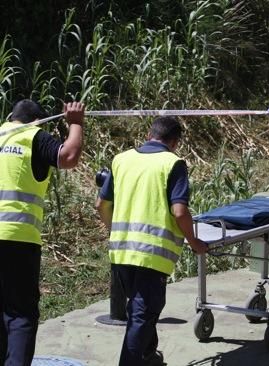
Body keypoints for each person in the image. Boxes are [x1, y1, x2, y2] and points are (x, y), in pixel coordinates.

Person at [96, 116, 208, 366]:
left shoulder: (121, 159)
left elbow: (101, 204)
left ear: (149, 135)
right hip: (152, 255)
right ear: (175, 142)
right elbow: (179, 211)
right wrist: (194, 242)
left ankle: (148, 356)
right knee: (142, 316)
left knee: (139, 310)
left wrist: (114, 231)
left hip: (121, 253)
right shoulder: (173, 163)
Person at [0, 99, 85, 365]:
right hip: (17, 238)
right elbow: (68, 156)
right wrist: (75, 124)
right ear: (37, 121)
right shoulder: (34, 137)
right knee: (20, 313)